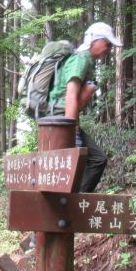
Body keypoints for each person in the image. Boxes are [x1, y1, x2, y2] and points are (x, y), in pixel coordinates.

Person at [48, 21, 122, 192]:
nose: (109, 48)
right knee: (90, 160)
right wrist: (72, 130)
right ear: (94, 40)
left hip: (62, 119)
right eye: (107, 43)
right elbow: (70, 96)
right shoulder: (80, 60)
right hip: (61, 121)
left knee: (94, 160)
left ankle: (75, 203)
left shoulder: (85, 60)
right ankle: (74, 203)